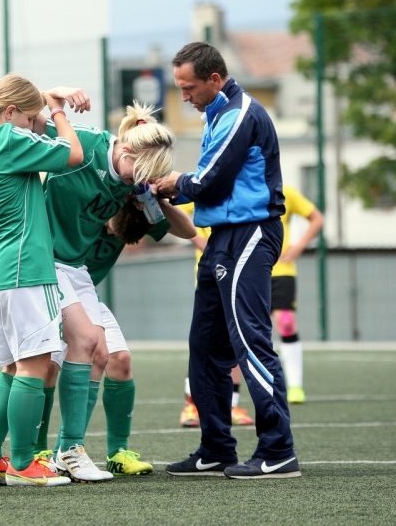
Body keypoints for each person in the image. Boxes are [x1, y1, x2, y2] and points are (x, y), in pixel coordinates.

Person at [156, 42, 300, 479]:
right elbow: (208, 183)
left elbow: (211, 181)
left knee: (250, 340)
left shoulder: (240, 114)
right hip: (222, 236)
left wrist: (171, 182)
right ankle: (216, 448)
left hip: (251, 233)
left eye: (189, 87)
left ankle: (278, 450)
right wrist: (164, 188)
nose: (184, 96)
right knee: (206, 345)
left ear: (214, 80)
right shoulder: (217, 113)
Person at [0, 74, 90, 487]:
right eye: (30, 119)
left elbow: (39, 144)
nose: (37, 125)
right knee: (34, 366)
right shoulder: (6, 140)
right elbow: (73, 153)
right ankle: (24, 464)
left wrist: (40, 111)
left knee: (11, 369)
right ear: (10, 113)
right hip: (21, 271)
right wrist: (57, 109)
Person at [39, 103, 176, 482]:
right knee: (42, 364)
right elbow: (20, 128)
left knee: (115, 357)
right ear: (126, 152)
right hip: (43, 261)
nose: (140, 183)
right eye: (142, 174)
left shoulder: (136, 187)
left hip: (75, 272)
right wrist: (54, 102)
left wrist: (159, 196)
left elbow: (178, 230)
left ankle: (90, 450)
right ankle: (40, 452)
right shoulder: (84, 144)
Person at [80, 192, 196, 476]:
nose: (110, 233)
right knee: (45, 367)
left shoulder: (136, 208)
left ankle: (118, 453)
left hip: (87, 294)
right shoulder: (88, 198)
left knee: (120, 360)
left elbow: (188, 230)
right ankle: (55, 451)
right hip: (55, 286)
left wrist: (158, 202)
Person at [177, 203, 255, 428]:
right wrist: (204, 244)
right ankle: (191, 405)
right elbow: (176, 212)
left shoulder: (237, 194)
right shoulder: (202, 188)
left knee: (234, 341)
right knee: (203, 342)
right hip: (210, 276)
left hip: (236, 274)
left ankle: (232, 405)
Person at [271, 184, 323, 404]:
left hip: (282, 270)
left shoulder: (285, 192)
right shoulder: (239, 187)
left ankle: (295, 386)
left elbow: (316, 218)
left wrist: (299, 246)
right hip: (249, 271)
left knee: (286, 323)